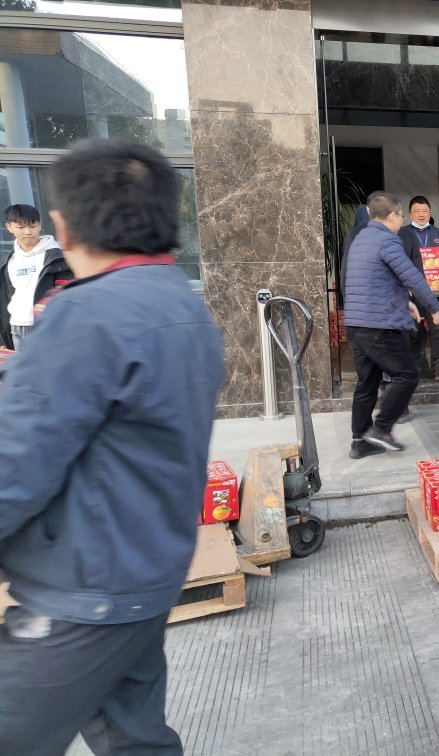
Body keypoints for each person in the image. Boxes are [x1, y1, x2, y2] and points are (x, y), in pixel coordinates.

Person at [0, 139, 224, 754]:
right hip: (146, 574)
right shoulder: (183, 305)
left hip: (82, 590)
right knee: (135, 742)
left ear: (66, 226)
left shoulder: (86, 315)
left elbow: (13, 465)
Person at [344, 192, 439, 455]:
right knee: (408, 374)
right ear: (391, 216)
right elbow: (410, 274)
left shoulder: (362, 237)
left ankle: (360, 442)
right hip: (379, 324)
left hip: (357, 323)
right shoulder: (387, 239)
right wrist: (434, 307)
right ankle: (382, 428)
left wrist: (405, 302)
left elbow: (376, 280)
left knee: (367, 383)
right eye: (401, 215)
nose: (402, 220)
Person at [398, 195, 439, 382]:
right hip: (414, 290)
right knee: (414, 330)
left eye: (425, 211)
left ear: (430, 213)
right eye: (417, 211)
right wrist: (403, 286)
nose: (421, 214)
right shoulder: (403, 233)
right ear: (410, 214)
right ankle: (416, 365)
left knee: (438, 328)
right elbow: (398, 261)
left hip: (437, 291)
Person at [0, 203, 72, 350]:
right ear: (9, 227)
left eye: (32, 226)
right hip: (16, 326)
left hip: (47, 326)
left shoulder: (57, 256)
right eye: (21, 227)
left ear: (39, 225)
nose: (28, 232)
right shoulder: (10, 261)